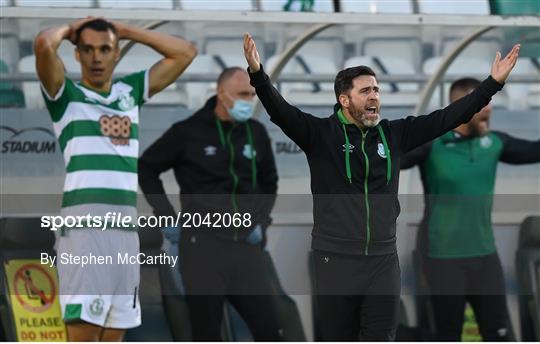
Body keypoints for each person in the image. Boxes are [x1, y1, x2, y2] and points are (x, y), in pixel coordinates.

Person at [243, 33, 520, 341]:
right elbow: (279, 109)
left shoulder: (395, 134)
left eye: (376, 89)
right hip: (334, 261)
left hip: (382, 262)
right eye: (365, 91)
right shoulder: (319, 135)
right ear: (344, 100)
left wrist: (492, 85)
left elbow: (447, 118)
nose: (374, 95)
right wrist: (258, 74)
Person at [34, 17, 196, 341]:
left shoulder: (129, 91)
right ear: (77, 54)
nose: (97, 57)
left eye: (105, 49)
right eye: (88, 49)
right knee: (84, 335)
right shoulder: (65, 95)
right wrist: (70, 29)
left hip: (124, 233)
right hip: (85, 233)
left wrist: (126, 30)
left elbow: (186, 53)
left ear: (117, 53)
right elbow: (43, 44)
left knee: (114, 336)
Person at [138, 67, 282, 341]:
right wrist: (166, 217)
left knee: (271, 331)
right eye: (242, 94)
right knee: (206, 333)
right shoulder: (188, 132)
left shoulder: (256, 132)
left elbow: (269, 183)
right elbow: (146, 168)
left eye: (252, 95)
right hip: (202, 249)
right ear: (221, 93)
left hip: (246, 248)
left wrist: (261, 223)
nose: (248, 101)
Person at [401, 77, 540, 341]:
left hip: (485, 256)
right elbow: (389, 163)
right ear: (462, 108)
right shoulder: (432, 144)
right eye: (484, 107)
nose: (489, 114)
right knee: (448, 336)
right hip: (442, 256)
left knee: (497, 334)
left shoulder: (495, 143)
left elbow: (535, 150)